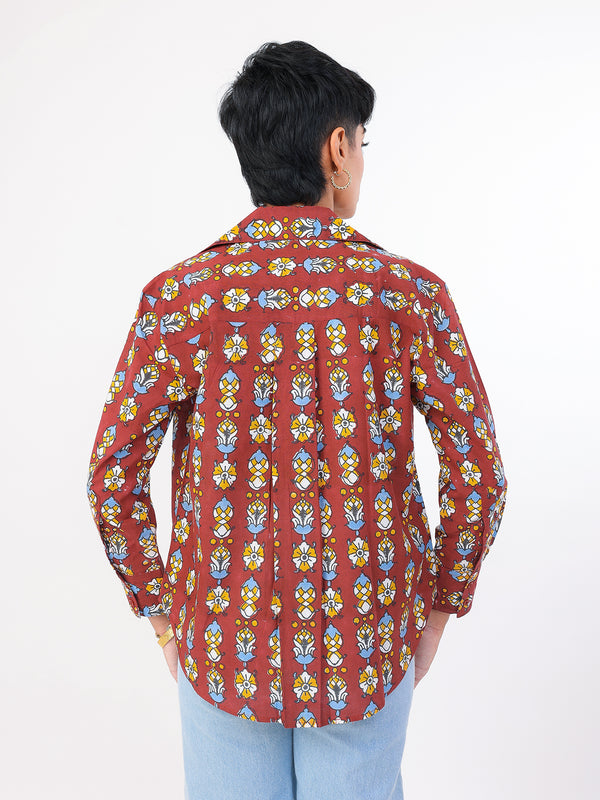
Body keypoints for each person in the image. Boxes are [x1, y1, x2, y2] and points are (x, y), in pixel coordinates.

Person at [86, 40, 507, 800]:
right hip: (366, 642)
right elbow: (478, 473)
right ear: (337, 149)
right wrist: (439, 610)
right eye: (363, 143)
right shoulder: (407, 296)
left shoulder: (182, 299)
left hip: (222, 645)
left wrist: (163, 614)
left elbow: (111, 473)